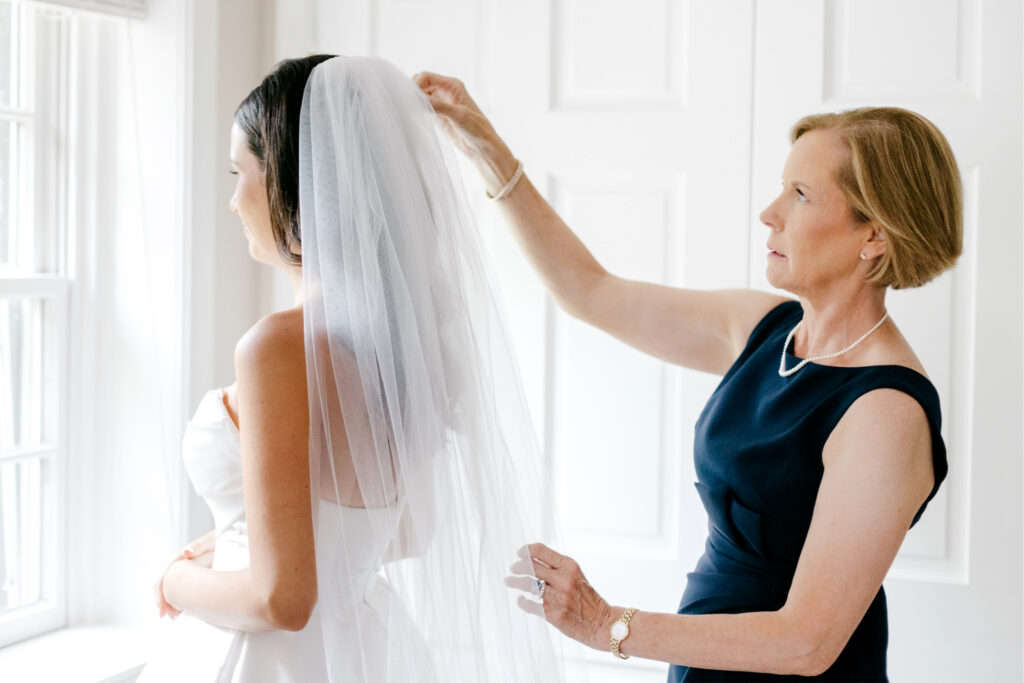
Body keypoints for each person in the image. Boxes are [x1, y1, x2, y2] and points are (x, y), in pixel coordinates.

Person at [416, 72, 959, 681]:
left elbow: (805, 643)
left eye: (801, 195)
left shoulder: (885, 412)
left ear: (875, 235)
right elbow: (589, 291)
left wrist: (605, 623)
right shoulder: (766, 330)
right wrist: (484, 145)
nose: (768, 214)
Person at [138, 56, 564, 682]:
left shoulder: (276, 348)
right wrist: (236, 538)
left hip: (268, 661)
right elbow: (408, 531)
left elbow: (282, 600)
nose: (232, 202)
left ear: (294, 184)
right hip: (364, 648)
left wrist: (175, 579)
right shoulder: (392, 340)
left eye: (241, 174)